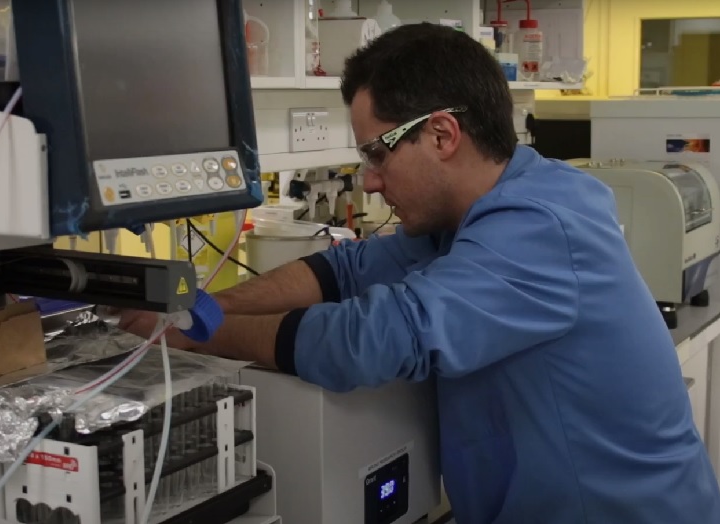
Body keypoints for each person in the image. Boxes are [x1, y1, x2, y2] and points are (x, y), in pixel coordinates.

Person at [115, 23, 720, 523]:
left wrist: (194, 333)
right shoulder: (476, 212)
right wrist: (203, 301)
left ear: (442, 134)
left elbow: (372, 339)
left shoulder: (541, 224)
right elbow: (346, 269)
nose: (371, 180)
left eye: (377, 153)